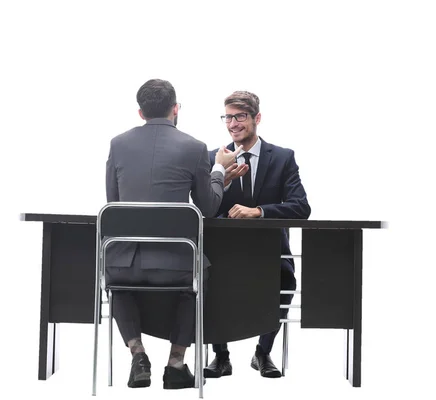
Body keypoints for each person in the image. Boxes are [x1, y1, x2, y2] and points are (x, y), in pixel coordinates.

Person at [105, 79, 244, 389]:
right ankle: (176, 362)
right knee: (195, 283)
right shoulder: (194, 148)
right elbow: (207, 208)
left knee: (116, 282)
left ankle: (137, 353)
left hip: (127, 261)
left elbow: (113, 204)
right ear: (175, 109)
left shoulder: (117, 144)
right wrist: (219, 172)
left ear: (140, 112)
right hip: (177, 265)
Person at [204, 90, 311, 379]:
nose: (233, 123)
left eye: (240, 116)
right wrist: (221, 179)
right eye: (228, 117)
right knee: (208, 276)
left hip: (269, 252)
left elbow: (301, 207)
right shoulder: (214, 157)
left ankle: (263, 352)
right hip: (226, 253)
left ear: (256, 118)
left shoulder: (283, 158)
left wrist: (260, 211)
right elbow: (203, 210)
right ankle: (221, 356)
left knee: (286, 278)